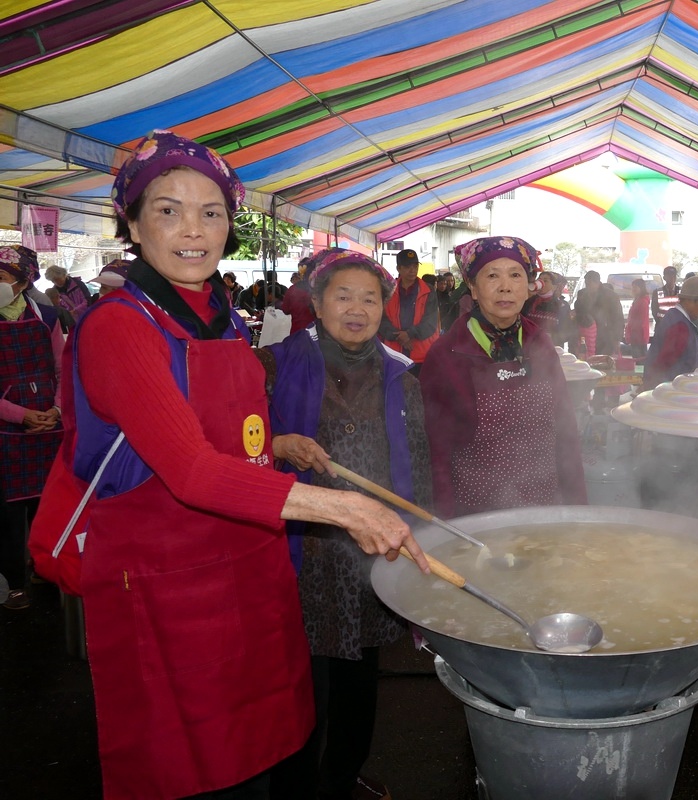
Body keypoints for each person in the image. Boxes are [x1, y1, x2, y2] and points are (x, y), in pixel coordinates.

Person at [34, 131, 429, 799]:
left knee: (263, 760)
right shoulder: (119, 325)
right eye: (168, 209)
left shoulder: (219, 319)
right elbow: (188, 469)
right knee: (194, 774)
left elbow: (216, 437)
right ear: (131, 221)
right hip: (167, 589)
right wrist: (344, 506)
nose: (193, 230)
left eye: (210, 212)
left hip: (249, 578)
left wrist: (276, 447)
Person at [257, 248, 431, 800]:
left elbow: (418, 463)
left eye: (369, 298)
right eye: (343, 296)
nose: (356, 309)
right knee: (304, 683)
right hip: (302, 549)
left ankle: (342, 775)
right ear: (317, 301)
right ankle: (296, 784)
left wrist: (412, 535)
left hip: (370, 552)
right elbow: (238, 446)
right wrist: (279, 444)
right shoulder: (274, 364)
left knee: (361, 676)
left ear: (384, 308)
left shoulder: (402, 375)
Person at [420, 236, 586, 517]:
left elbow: (565, 431)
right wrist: (449, 527)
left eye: (515, 275)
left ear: (528, 287)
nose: (505, 286)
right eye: (492, 275)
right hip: (477, 518)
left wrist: (578, 508)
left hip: (547, 508)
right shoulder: (446, 354)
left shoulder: (540, 343)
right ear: (472, 288)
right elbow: (436, 452)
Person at [0, 245, 64, 611]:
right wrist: (17, 414)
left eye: (3, 276)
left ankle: (45, 568)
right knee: (7, 513)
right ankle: (12, 581)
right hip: (7, 429)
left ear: (25, 281)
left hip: (47, 425)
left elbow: (61, 370)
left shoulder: (50, 316)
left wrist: (55, 409)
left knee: (46, 503)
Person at [642, 275, 698, 389]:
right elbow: (662, 364)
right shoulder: (680, 326)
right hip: (673, 392)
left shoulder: (676, 317)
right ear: (692, 301)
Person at [381, 248, 439, 375]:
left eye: (415, 266)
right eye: (407, 266)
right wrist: (399, 336)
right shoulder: (387, 291)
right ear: (398, 269)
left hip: (422, 356)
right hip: (394, 355)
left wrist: (409, 334)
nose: (412, 270)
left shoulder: (428, 291)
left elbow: (430, 322)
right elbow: (381, 319)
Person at [522, 270, 570, 348]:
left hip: (550, 349)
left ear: (554, 287)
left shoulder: (562, 306)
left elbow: (566, 332)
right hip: (528, 348)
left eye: (545, 281)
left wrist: (550, 338)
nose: (541, 282)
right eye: (539, 280)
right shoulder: (528, 301)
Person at [280, 256, 316, 335]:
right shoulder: (318, 290)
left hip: (296, 333)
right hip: (315, 334)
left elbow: (285, 310)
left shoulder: (292, 290)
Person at [572, 269, 602, 357]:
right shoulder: (581, 293)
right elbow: (578, 307)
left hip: (596, 327)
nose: (587, 285)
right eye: (586, 283)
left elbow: (615, 315)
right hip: (582, 323)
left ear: (597, 283)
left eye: (589, 283)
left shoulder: (606, 294)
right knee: (581, 348)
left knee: (591, 348)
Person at [624, 277, 651, 357]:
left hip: (639, 336)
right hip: (635, 335)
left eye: (635, 287)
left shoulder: (642, 302)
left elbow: (640, 321)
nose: (633, 289)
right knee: (637, 358)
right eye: (632, 287)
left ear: (641, 288)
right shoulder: (637, 300)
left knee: (639, 359)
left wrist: (631, 333)